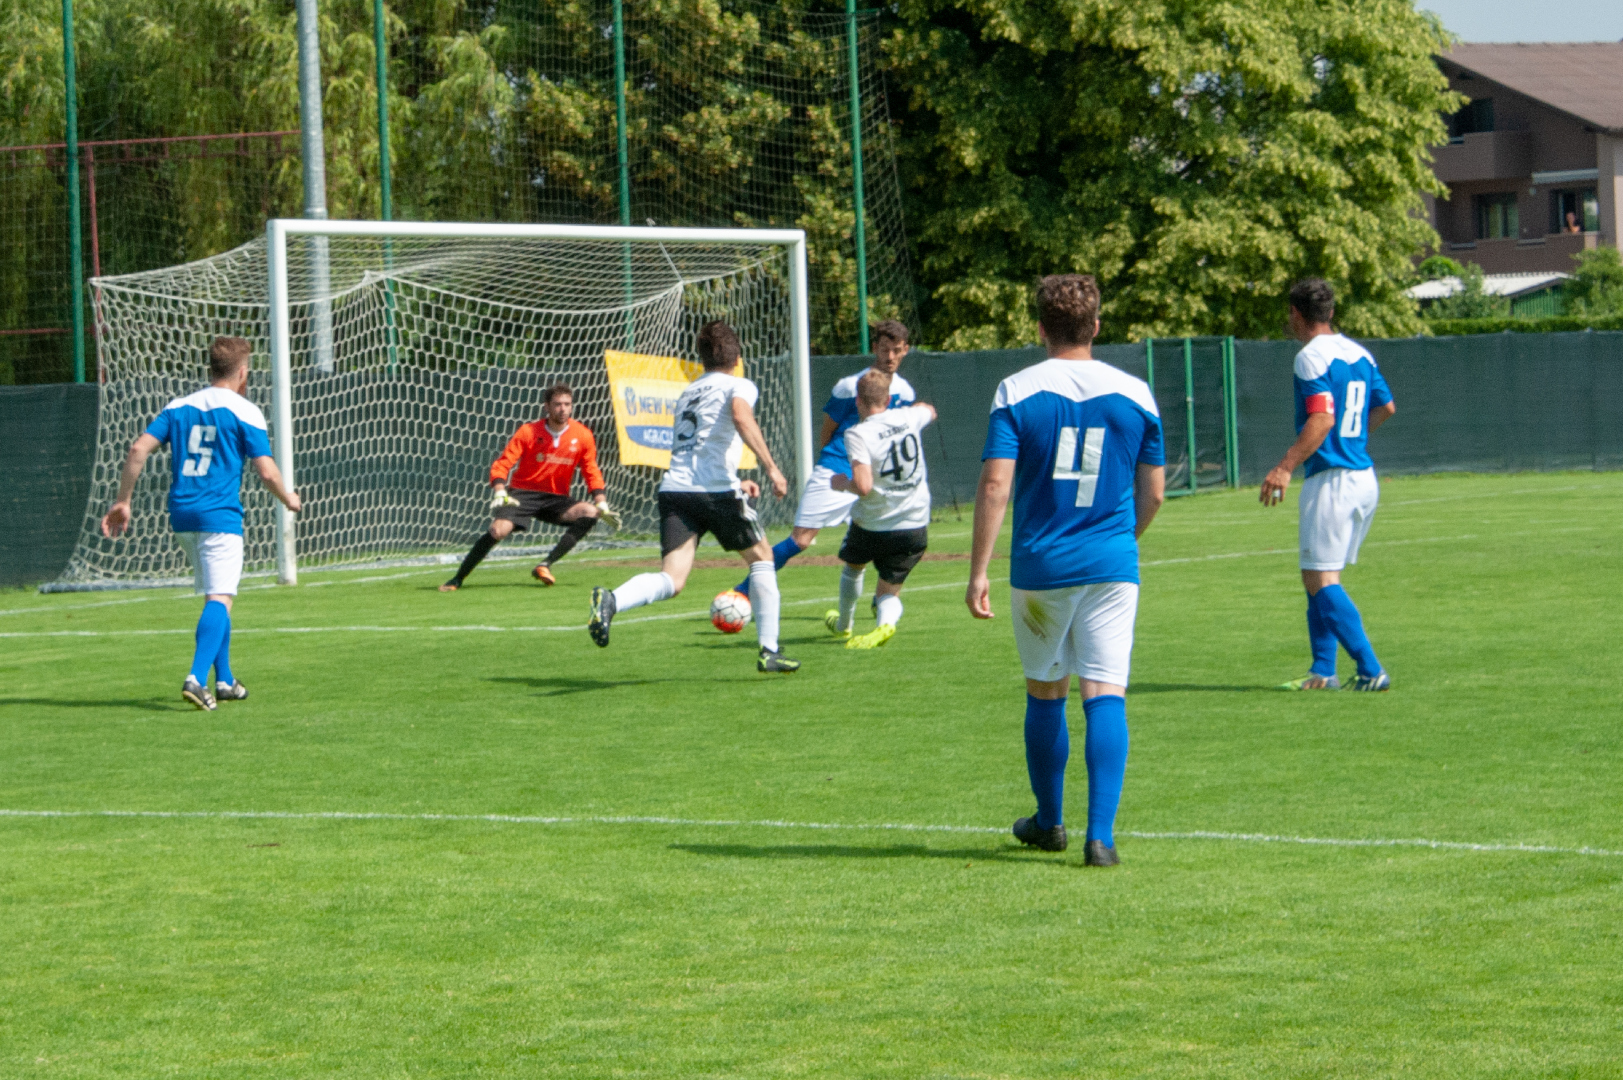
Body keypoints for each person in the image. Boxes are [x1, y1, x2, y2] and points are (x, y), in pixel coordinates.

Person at [965, 275, 1165, 865]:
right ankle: (1100, 838)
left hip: (1041, 566)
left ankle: (1049, 822)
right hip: (1112, 565)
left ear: (1041, 328)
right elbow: (1154, 493)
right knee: (1105, 691)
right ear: (1096, 326)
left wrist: (978, 570)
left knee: (1046, 688)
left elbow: (995, 484)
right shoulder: (1136, 392)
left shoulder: (1016, 390)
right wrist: (1118, 543)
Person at [99, 336, 302, 711]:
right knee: (220, 598)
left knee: (218, 594)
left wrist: (123, 500)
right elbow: (266, 471)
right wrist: (288, 497)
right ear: (243, 372)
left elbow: (138, 449)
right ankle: (195, 678)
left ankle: (224, 680)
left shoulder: (178, 407)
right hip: (219, 516)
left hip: (182, 516)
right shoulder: (245, 411)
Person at [588, 321, 800, 673]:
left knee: (672, 579)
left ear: (702, 358)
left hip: (676, 490)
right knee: (762, 559)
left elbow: (701, 446)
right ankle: (770, 651)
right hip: (714, 491)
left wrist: (737, 481)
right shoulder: (739, 384)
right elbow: (741, 417)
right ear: (738, 357)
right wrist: (772, 469)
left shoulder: (689, 392)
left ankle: (612, 600)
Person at [1261, 278, 1396, 692]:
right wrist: (1353, 441)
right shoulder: (1360, 353)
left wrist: (1284, 467)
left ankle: (1370, 670)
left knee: (1322, 579)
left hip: (1333, 480)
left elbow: (1322, 419)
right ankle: (1323, 671)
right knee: (1316, 574)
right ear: (1331, 312)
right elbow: (1386, 407)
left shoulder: (1310, 357)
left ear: (1296, 314)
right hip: (1363, 477)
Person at [730, 319, 915, 598]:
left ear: (905, 350)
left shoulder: (905, 392)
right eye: (885, 349)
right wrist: (834, 463)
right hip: (837, 469)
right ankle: (743, 591)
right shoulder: (850, 386)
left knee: (887, 542)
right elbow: (827, 432)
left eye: (897, 350)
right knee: (801, 539)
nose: (890, 357)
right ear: (875, 347)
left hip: (875, 477)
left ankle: (883, 603)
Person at [440, 383, 620, 591]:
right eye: (557, 404)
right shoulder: (528, 431)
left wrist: (601, 502)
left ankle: (545, 565)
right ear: (547, 406)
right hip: (523, 494)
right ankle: (458, 578)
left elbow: (591, 470)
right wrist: (500, 489)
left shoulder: (583, 434)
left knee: (591, 512)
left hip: (556, 498)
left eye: (567, 404)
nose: (563, 409)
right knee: (498, 531)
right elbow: (503, 463)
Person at [823, 371, 938, 649]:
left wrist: (842, 483)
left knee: (854, 567)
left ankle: (844, 625)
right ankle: (885, 624)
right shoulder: (908, 417)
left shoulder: (857, 433)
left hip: (873, 523)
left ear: (858, 401)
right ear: (887, 399)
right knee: (888, 591)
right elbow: (930, 411)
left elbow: (863, 486)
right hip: (913, 523)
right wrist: (917, 409)